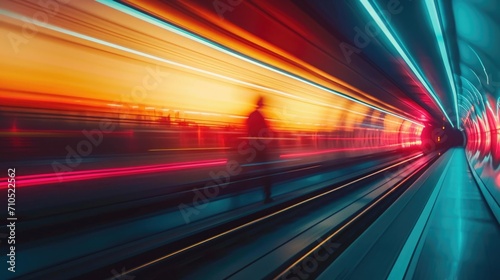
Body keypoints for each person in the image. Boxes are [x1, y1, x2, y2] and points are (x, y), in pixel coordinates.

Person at [246, 96, 273, 203]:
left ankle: (255, 195)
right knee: (266, 172)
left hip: (252, 148)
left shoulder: (251, 115)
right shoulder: (259, 116)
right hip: (260, 148)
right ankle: (267, 196)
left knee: (255, 171)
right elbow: (265, 131)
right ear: (261, 104)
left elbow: (248, 130)